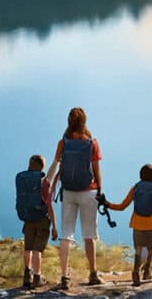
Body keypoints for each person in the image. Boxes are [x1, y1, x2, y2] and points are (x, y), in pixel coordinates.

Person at [47, 107, 104, 289]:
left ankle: (64, 277)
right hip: (89, 191)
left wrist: (47, 182)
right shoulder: (91, 143)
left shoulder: (63, 143)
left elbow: (56, 164)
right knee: (89, 235)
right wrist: (100, 189)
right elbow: (96, 169)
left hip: (69, 191)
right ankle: (93, 274)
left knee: (67, 234)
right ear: (84, 121)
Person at [100, 164, 152, 287]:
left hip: (137, 222)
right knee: (150, 249)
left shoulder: (136, 188)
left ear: (141, 176)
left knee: (138, 249)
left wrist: (107, 204)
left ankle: (136, 271)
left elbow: (122, 206)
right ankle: (146, 272)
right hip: (151, 224)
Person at [16, 155, 58, 289]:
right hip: (42, 220)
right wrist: (55, 227)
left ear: (30, 164)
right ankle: (37, 278)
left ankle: (27, 276)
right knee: (37, 250)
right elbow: (49, 206)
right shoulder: (43, 183)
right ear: (42, 167)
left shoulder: (22, 180)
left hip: (28, 219)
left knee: (27, 248)